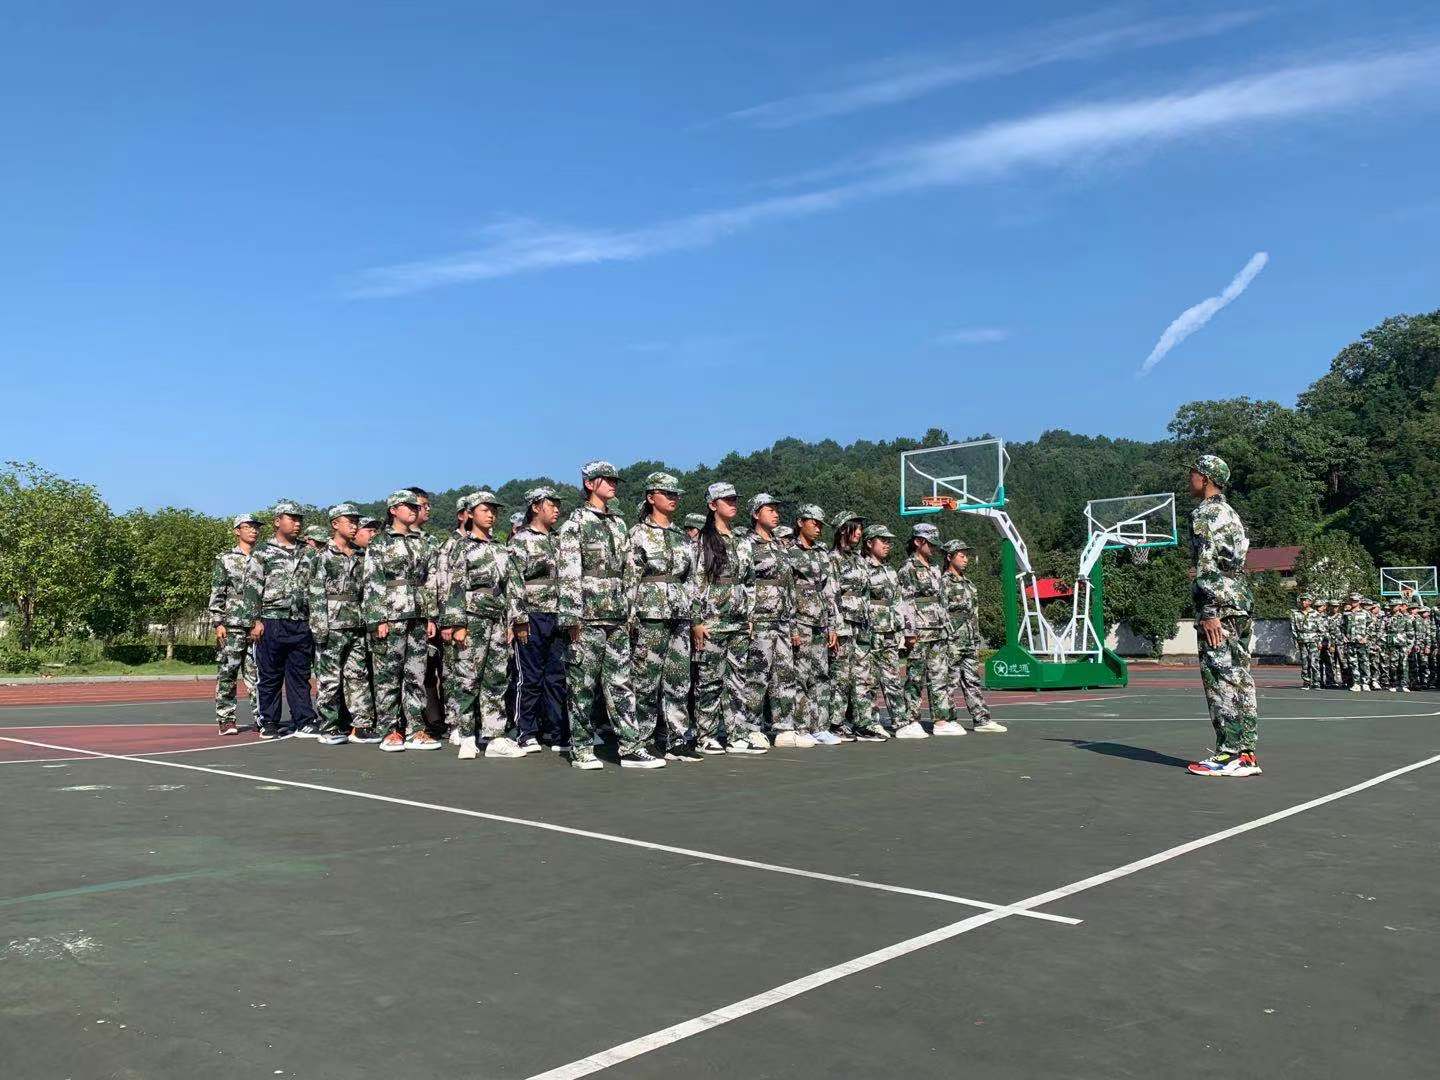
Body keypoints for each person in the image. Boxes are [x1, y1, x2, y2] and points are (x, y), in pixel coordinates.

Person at [557, 460, 660, 770]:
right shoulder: (575, 523)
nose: (613, 484)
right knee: (582, 685)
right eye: (607, 479)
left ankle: (630, 747)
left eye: (615, 480)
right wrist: (571, 617)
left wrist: (630, 612)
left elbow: (629, 571)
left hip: (616, 615)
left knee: (621, 684)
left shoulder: (618, 523)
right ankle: (581, 749)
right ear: (590, 483)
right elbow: (569, 572)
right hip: (587, 617)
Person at [1185, 456, 1262, 778]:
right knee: (1241, 677)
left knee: (1220, 679)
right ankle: (1245, 753)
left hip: (1220, 604)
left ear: (1205, 478)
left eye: (1193, 473)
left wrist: (1210, 611)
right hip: (1240, 600)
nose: (1189, 478)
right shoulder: (1231, 513)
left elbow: (1207, 564)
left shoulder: (1204, 514)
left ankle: (1228, 753)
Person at [442, 491, 529, 760]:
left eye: (494, 510)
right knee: (468, 677)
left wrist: (515, 620)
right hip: (473, 617)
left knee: (496, 678)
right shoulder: (462, 547)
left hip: (497, 617)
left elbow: (513, 586)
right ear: (470, 513)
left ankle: (494, 736)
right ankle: (467, 735)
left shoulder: (501, 548)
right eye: (485, 510)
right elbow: (455, 587)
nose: (491, 514)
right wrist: (457, 623)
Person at [628, 472, 704, 762]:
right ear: (651, 497)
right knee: (645, 680)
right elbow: (630, 578)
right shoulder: (637, 534)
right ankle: (644, 738)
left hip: (679, 616)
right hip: (650, 614)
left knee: (678, 680)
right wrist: (630, 617)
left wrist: (695, 619)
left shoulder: (681, 537)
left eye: (676, 494)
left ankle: (677, 738)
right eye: (667, 493)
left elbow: (692, 581)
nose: (674, 498)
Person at [693, 482, 766, 755]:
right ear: (713, 505)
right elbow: (696, 582)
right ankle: (706, 734)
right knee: (710, 680)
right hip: (712, 620)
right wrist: (697, 620)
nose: (733, 504)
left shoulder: (741, 541)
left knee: (738, 680)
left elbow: (749, 582)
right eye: (727, 500)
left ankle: (737, 734)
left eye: (735, 499)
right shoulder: (702, 540)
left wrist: (750, 615)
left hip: (738, 621)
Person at [363, 491, 439, 751]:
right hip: (391, 615)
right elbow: (372, 581)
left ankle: (416, 728)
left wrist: (430, 616)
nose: (414, 510)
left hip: (418, 615)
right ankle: (390, 730)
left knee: (416, 674)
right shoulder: (380, 542)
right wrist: (378, 618)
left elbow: (429, 581)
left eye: (416, 506)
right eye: (408, 506)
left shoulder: (422, 542)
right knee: (388, 675)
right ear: (393, 509)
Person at [244, 500, 317, 739]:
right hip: (271, 620)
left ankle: (304, 720)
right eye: (292, 518)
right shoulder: (262, 552)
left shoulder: (308, 552)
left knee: (300, 675)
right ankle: (269, 721)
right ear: (277, 521)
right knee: (270, 675)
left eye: (300, 519)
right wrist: (254, 621)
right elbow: (252, 588)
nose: (297, 523)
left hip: (301, 621)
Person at [307, 503, 378, 746]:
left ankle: (361, 726)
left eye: (356, 521)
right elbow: (315, 593)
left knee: (358, 675)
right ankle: (329, 726)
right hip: (332, 623)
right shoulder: (321, 556)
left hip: (356, 622)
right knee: (330, 679)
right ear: (335, 524)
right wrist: (320, 628)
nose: (354, 525)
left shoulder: (361, 555)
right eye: (350, 521)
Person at [508, 486, 569, 753]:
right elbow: (514, 582)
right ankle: (526, 730)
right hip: (532, 614)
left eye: (558, 505)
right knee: (530, 677)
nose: (557, 509)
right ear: (535, 507)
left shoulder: (559, 540)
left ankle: (556, 731)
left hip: (558, 614)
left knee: (556, 676)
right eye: (551, 504)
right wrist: (519, 618)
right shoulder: (521, 540)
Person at [747, 493, 807, 747]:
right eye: (769, 509)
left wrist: (792, 624)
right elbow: (744, 582)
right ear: (755, 514)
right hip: (759, 618)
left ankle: (784, 727)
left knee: (784, 674)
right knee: (757, 674)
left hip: (782, 620)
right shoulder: (747, 544)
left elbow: (789, 586)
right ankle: (751, 727)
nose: (775, 513)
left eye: (776, 509)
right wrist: (747, 616)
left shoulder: (780, 546)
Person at [788, 505, 842, 745]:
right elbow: (787, 591)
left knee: (821, 674)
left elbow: (829, 591)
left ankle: (820, 726)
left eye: (821, 524)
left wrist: (832, 625)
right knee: (800, 675)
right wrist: (791, 626)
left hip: (820, 622)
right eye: (814, 523)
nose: (818, 528)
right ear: (801, 522)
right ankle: (801, 727)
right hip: (800, 621)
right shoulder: (789, 551)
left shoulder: (822, 552)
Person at [857, 524, 917, 736]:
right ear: (869, 543)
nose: (887, 545)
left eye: (889, 541)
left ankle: (900, 721)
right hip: (870, 631)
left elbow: (899, 601)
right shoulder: (861, 567)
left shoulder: (890, 570)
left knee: (892, 679)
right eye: (883, 541)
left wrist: (904, 629)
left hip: (890, 632)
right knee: (869, 680)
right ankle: (870, 722)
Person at [897, 523, 955, 737]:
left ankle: (940, 720)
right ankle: (911, 719)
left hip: (937, 629)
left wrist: (946, 626)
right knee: (915, 677)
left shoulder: (935, 568)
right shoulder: (908, 569)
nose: (934, 548)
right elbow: (906, 602)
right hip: (919, 630)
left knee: (939, 675)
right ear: (917, 542)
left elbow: (941, 600)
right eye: (930, 543)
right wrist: (909, 631)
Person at [830, 511, 884, 740]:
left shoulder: (860, 559)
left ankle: (863, 722)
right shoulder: (832, 558)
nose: (860, 532)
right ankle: (836, 722)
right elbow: (831, 595)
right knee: (841, 676)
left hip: (862, 624)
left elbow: (866, 593)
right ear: (843, 529)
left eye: (861, 529)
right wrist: (833, 626)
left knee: (863, 675)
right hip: (843, 623)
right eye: (856, 527)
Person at [941, 540, 1003, 732]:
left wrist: (976, 638)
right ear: (949, 557)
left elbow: (973, 613)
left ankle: (981, 719)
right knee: (949, 681)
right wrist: (946, 637)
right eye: (962, 555)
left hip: (970, 639)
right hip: (952, 641)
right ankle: (948, 720)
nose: (966, 559)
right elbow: (941, 612)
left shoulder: (969, 584)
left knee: (973, 680)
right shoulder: (943, 582)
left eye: (966, 555)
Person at [208, 513, 262, 735]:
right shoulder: (226, 559)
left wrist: (261, 621)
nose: (253, 530)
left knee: (257, 676)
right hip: (231, 625)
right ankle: (226, 719)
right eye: (248, 526)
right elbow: (217, 592)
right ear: (237, 531)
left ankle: (261, 717)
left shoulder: (263, 558)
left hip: (256, 626)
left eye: (256, 527)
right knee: (227, 673)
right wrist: (218, 622)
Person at [435, 496, 475, 745]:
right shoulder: (450, 545)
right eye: (470, 511)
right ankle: (455, 722)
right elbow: (443, 584)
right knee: (453, 671)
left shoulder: (482, 542)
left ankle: (473, 721)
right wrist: (447, 620)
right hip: (455, 616)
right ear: (461, 515)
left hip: (478, 615)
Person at [1291, 594, 1321, 690]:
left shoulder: (1315, 614)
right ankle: (1306, 682)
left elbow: (1321, 629)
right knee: (1304, 662)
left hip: (1313, 640)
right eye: (1302, 600)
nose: (1303, 602)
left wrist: (1319, 641)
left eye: (1305, 600)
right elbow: (1293, 629)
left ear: (1310, 602)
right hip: (1302, 640)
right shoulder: (1296, 614)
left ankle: (1316, 682)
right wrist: (1296, 640)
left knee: (1314, 661)